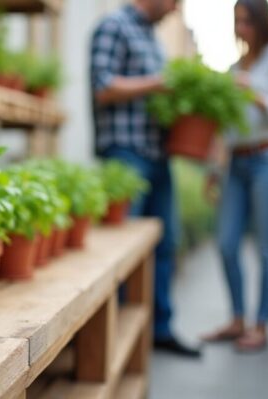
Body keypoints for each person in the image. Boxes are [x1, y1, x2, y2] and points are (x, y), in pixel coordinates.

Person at [90, 0, 200, 358]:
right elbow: (102, 86)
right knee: (120, 247)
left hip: (157, 153)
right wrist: (156, 83)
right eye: (173, 3)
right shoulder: (114, 26)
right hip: (125, 153)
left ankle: (160, 329)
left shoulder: (154, 39)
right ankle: (111, 331)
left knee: (164, 243)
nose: (174, 10)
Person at [202, 0, 268, 352]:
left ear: (261, 21)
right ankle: (237, 319)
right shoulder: (233, 68)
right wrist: (214, 170)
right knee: (227, 243)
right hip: (238, 164)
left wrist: (256, 96)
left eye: (247, 21)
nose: (241, 28)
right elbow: (228, 128)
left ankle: (261, 326)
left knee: (267, 247)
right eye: (237, 21)